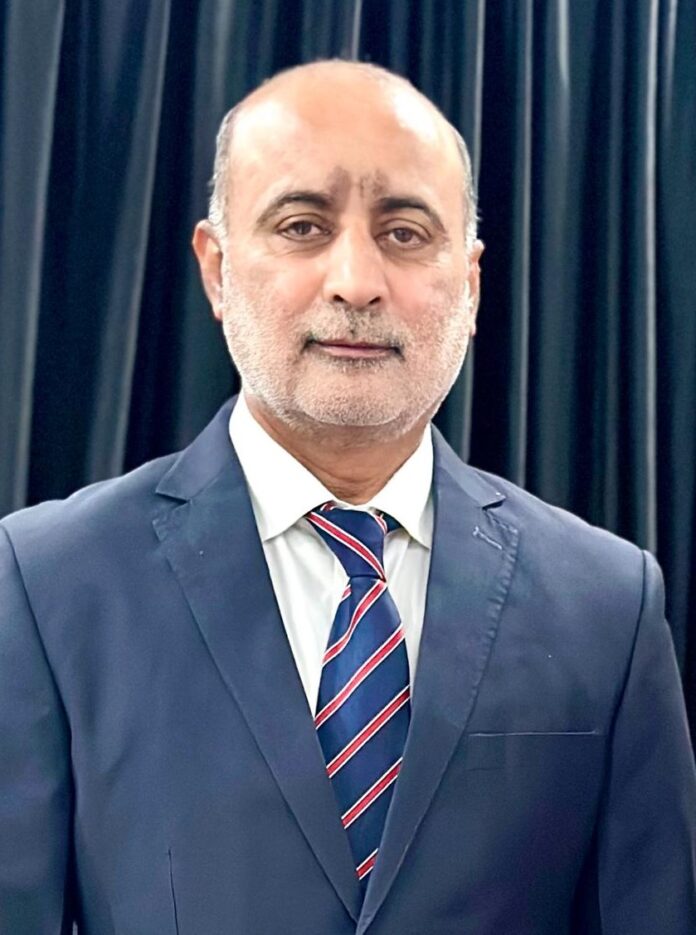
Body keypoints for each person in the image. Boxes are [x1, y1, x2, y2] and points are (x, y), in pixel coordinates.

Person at [0, 59, 694, 935]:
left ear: (471, 284)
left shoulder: (608, 604)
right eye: (302, 225)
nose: (357, 280)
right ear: (216, 270)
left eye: (405, 232)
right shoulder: (49, 582)